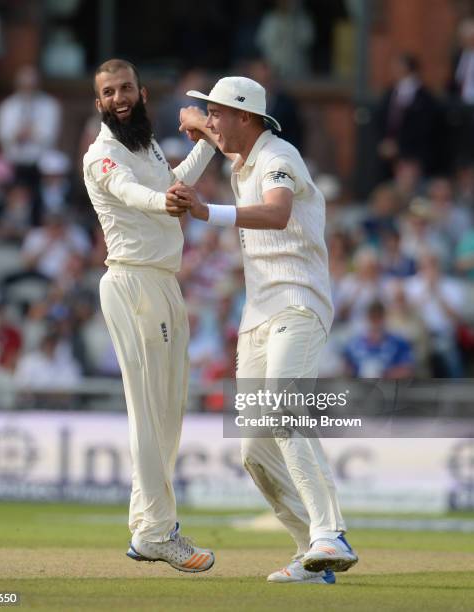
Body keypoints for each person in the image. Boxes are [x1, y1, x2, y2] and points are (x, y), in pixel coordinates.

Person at [171, 76, 358, 584]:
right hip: (257, 312)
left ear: (246, 117)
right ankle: (314, 555)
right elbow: (206, 128)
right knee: (253, 450)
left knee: (282, 405)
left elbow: (276, 214)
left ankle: (330, 532)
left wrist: (206, 211)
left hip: (299, 302)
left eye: (218, 112)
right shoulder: (241, 151)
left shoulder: (280, 155)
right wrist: (195, 120)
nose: (210, 120)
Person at [83, 58, 216, 573]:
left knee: (168, 410)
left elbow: (172, 183)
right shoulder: (103, 154)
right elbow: (131, 194)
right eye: (109, 92)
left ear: (141, 93)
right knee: (148, 411)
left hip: (164, 282)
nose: (119, 98)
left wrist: (207, 142)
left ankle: (147, 530)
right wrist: (166, 201)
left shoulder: (147, 144)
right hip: (133, 282)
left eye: (126, 89)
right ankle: (159, 530)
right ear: (99, 103)